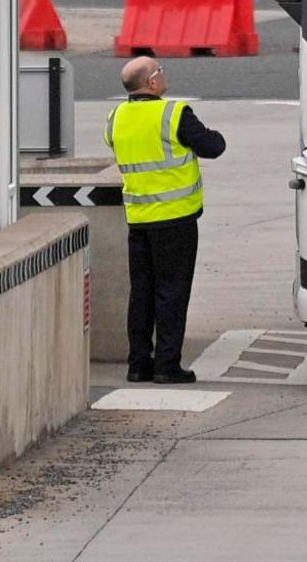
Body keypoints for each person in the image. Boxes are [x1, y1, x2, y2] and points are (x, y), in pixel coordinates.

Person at [105, 56, 225, 384]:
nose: (164, 74)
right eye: (160, 70)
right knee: (172, 292)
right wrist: (214, 136)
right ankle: (167, 365)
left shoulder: (116, 118)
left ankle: (138, 364)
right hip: (175, 219)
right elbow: (212, 147)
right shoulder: (173, 113)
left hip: (138, 219)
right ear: (152, 83)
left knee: (141, 292)